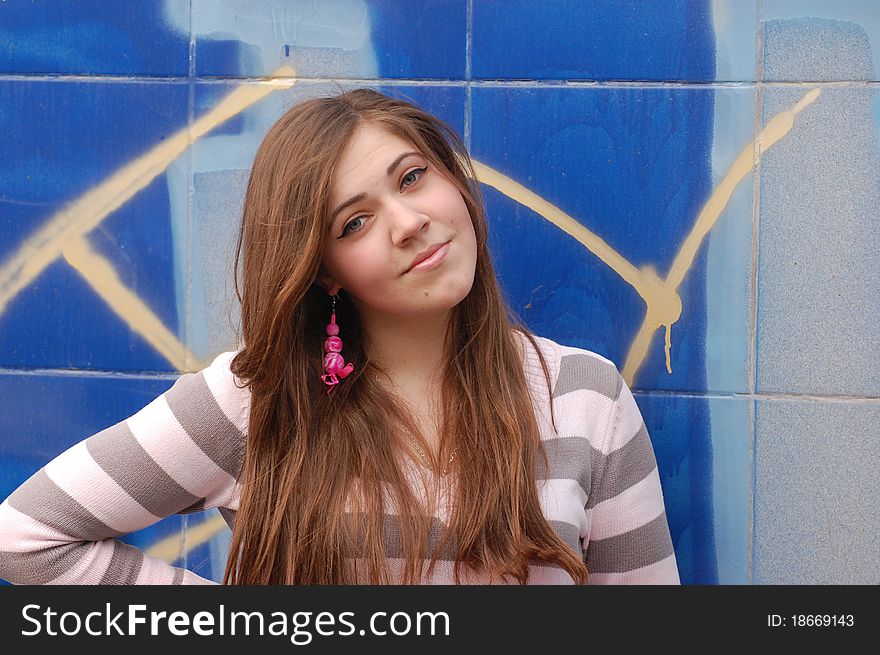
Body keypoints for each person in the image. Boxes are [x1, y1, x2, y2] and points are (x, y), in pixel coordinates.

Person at [0, 88, 679, 585]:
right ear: (323, 271)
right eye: (354, 221)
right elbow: (24, 535)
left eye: (414, 177)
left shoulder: (586, 397)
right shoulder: (258, 400)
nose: (408, 222)